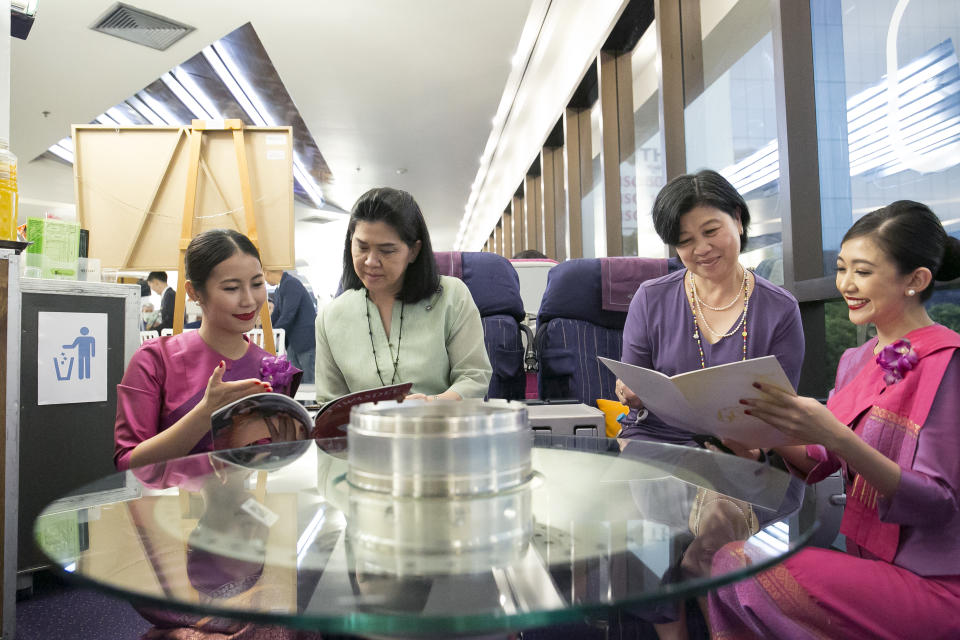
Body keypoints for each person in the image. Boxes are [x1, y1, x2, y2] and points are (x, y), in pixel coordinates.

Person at [708, 201, 960, 638]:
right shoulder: (857, 360)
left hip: (937, 580)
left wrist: (839, 438)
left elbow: (937, 504)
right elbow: (819, 458)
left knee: (739, 566)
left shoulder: (948, 364)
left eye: (862, 272)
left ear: (916, 280)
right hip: (875, 565)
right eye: (842, 268)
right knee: (730, 562)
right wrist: (750, 429)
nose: (845, 284)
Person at [615, 169, 805, 445]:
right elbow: (632, 389)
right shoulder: (650, 299)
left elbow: (782, 415)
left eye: (711, 231)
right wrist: (630, 393)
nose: (702, 248)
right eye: (685, 241)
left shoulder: (780, 309)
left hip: (745, 448)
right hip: (657, 441)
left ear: (738, 219)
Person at [114, 229, 302, 472]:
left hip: (247, 506)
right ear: (194, 292)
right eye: (231, 288)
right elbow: (127, 464)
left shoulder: (272, 370)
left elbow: (268, 468)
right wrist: (204, 415)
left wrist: (284, 451)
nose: (248, 300)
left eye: (257, 284)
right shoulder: (154, 360)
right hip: (169, 507)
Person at [315, 187, 491, 404]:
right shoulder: (330, 317)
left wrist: (430, 404)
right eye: (361, 247)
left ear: (414, 251)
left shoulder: (452, 297)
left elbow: (474, 377)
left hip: (441, 428)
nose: (370, 261)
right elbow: (329, 403)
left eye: (386, 250)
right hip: (366, 435)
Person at [264, 269, 317, 384]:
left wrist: (272, 335)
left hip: (305, 341)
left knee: (309, 379)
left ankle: (312, 403)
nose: (264, 280)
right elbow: (276, 314)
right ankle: (299, 403)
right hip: (293, 342)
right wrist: (267, 331)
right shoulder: (279, 288)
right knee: (296, 380)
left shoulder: (291, 284)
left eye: (263, 275)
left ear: (267, 272)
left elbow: (288, 314)